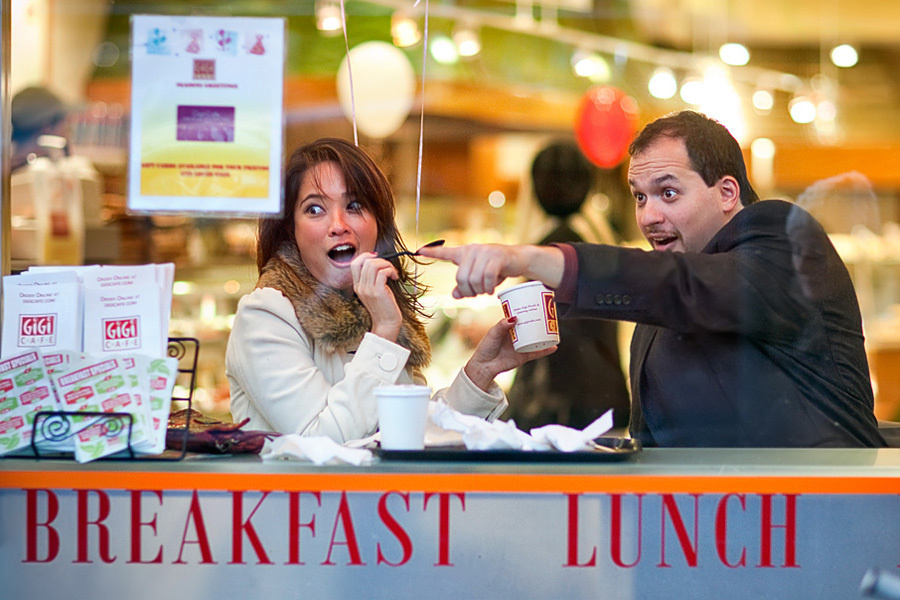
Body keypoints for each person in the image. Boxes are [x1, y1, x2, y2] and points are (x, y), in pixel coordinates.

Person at [420, 110, 886, 448]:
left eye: (668, 192)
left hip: (814, 529)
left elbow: (682, 285)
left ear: (727, 192)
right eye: (639, 197)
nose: (650, 216)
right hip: (697, 540)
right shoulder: (669, 284)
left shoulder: (781, 242)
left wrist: (523, 258)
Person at [225, 138, 553, 442]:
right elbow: (321, 442)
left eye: (354, 206)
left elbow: (411, 436)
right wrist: (382, 332)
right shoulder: (267, 314)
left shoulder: (375, 304)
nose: (339, 224)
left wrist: (480, 373)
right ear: (290, 230)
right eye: (315, 209)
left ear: (378, 224)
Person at [505, 141, 630, 431]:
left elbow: (544, 337)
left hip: (561, 409)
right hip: (603, 395)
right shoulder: (597, 236)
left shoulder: (547, 250)